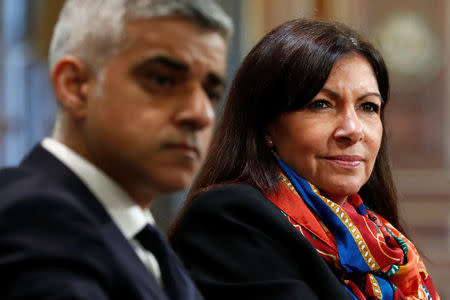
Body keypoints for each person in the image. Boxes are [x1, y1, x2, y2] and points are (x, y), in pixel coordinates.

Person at [170, 18, 440, 300]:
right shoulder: (229, 219)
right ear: (266, 127)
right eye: (321, 104)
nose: (353, 130)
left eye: (368, 107)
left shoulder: (386, 243)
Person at [0, 0, 232, 299]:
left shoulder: (141, 236)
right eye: (162, 79)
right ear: (76, 86)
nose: (201, 114)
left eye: (211, 93)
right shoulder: (35, 218)